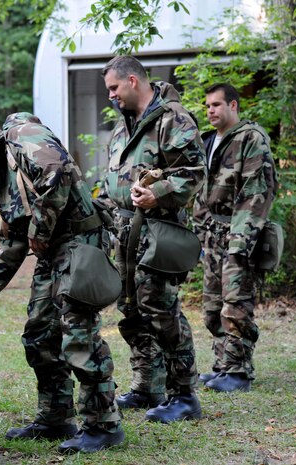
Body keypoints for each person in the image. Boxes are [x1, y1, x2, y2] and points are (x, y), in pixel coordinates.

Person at [0, 112, 124, 453]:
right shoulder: (4, 173)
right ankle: (56, 417)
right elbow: (15, 239)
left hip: (79, 246)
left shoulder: (24, 136)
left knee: (79, 334)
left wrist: (40, 230)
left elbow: (56, 172)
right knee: (40, 336)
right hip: (52, 254)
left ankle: (104, 424)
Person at [98, 55, 206, 423]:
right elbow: (113, 181)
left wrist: (158, 192)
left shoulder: (172, 120)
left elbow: (194, 173)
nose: (111, 95)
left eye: (114, 88)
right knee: (130, 312)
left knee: (161, 311)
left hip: (158, 234)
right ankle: (148, 385)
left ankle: (184, 394)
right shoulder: (122, 127)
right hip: (125, 234)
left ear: (132, 80)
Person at [193, 83, 278, 392]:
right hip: (210, 235)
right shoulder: (208, 142)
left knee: (236, 303)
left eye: (216, 104)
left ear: (233, 106)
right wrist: (198, 233)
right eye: (207, 106)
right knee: (212, 305)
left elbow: (258, 191)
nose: (211, 111)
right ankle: (223, 365)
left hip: (237, 232)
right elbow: (201, 192)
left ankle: (239, 371)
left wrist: (241, 240)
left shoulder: (250, 138)